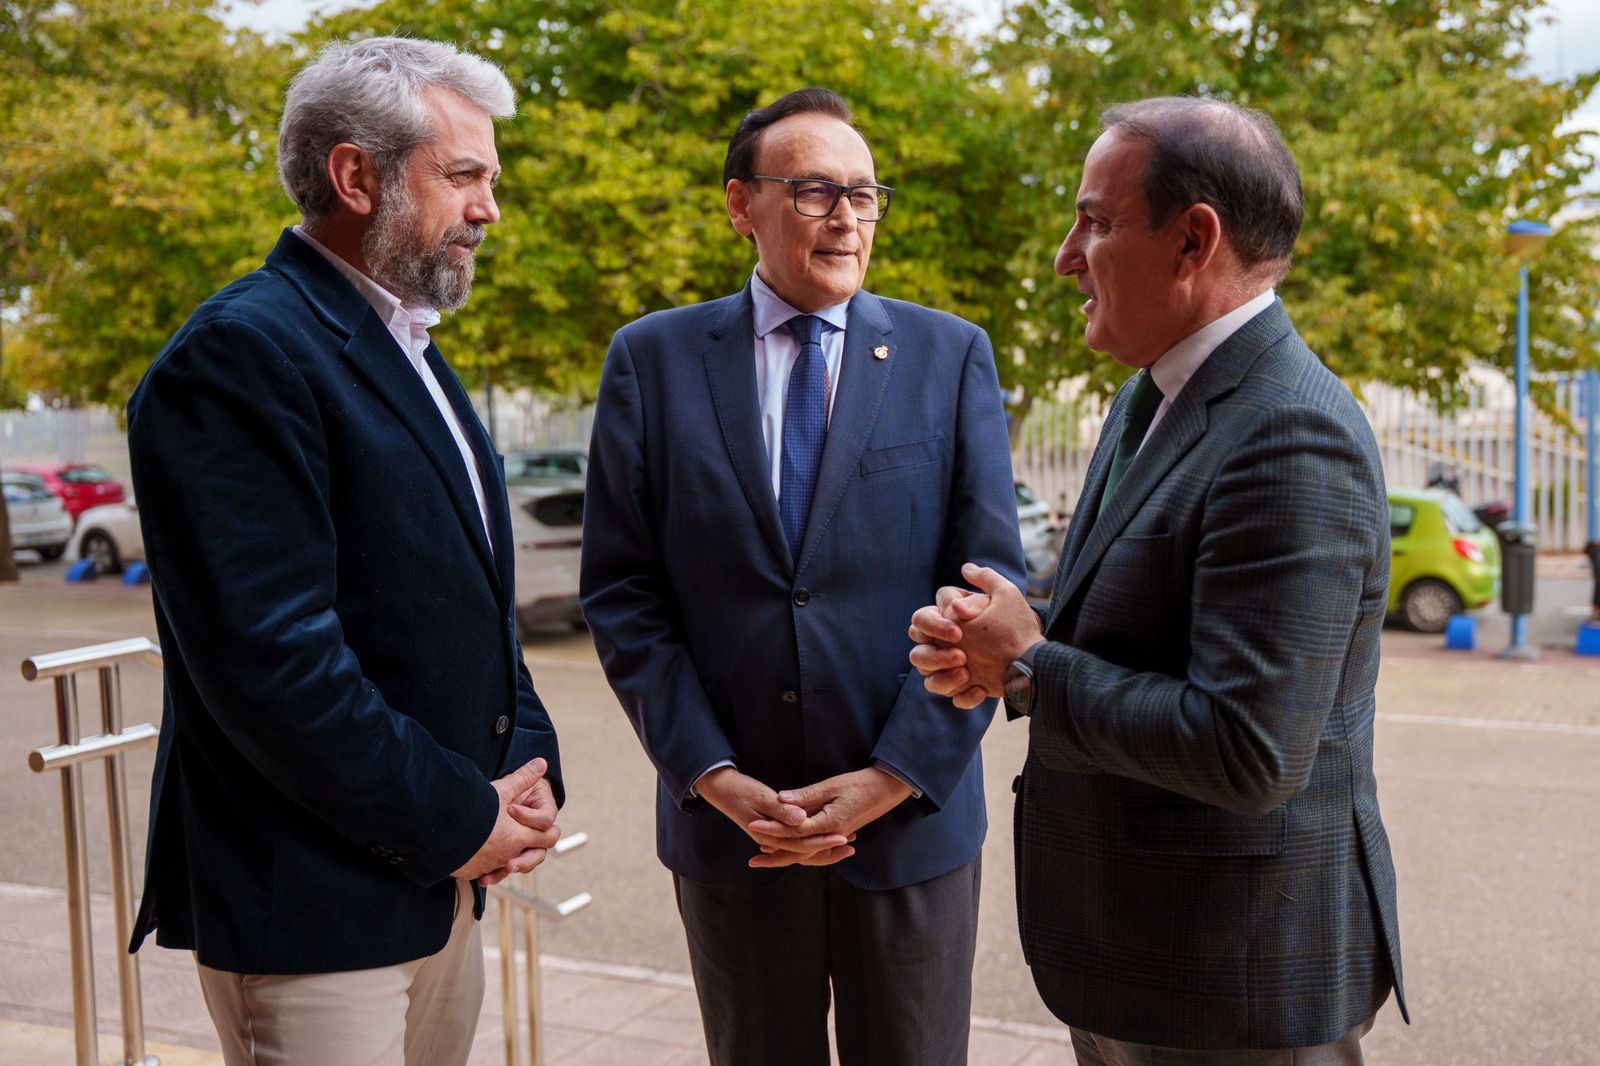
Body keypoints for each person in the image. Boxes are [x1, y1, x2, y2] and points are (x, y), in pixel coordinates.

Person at [910, 97, 1407, 1064]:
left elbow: (1249, 750)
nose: (1065, 255)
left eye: (1094, 221)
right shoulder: (1151, 393)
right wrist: (1007, 645)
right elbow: (1150, 623)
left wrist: (1031, 665)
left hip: (1235, 985)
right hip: (1146, 964)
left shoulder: (1290, 435)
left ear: (1194, 240)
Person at [126, 37, 563, 1066]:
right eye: (463, 175)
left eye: (488, 179)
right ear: (356, 175)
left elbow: (466, 598)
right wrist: (464, 814)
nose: (489, 208)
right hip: (316, 913)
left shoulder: (408, 345)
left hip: (440, 885)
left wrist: (527, 771)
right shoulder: (239, 355)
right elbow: (273, 664)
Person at [579, 87, 1023, 1066]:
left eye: (865, 194)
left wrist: (892, 775)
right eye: (817, 190)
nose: (847, 217)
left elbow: (989, 593)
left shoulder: (949, 356)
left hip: (907, 832)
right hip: (736, 833)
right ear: (741, 203)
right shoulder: (649, 361)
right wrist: (712, 773)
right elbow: (623, 593)